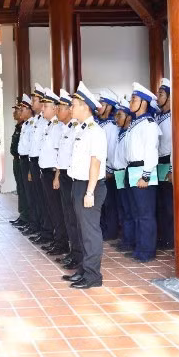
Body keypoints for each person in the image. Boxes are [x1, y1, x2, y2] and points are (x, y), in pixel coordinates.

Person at [61, 81, 108, 289]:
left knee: (90, 232)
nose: (71, 108)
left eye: (74, 104)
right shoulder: (81, 129)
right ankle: (83, 269)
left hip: (91, 186)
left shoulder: (95, 131)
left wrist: (89, 191)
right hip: (78, 184)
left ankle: (93, 276)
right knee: (80, 230)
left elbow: (95, 163)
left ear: (85, 107)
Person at [125, 82, 161, 263]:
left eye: (134, 99)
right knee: (137, 212)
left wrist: (146, 175)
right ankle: (140, 247)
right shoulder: (135, 123)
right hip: (132, 169)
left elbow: (151, 151)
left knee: (145, 214)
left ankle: (147, 250)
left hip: (143, 171)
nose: (131, 102)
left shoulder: (149, 124)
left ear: (144, 103)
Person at [54, 89, 82, 270]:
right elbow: (61, 157)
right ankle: (73, 252)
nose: (58, 110)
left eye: (63, 107)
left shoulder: (76, 127)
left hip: (73, 176)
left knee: (74, 217)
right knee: (68, 216)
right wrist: (57, 175)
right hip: (64, 175)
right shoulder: (66, 127)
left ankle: (78, 254)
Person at [38, 88, 68, 255]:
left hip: (53, 174)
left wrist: (56, 176)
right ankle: (57, 240)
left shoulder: (59, 127)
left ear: (55, 107)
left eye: (46, 106)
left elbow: (59, 155)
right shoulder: (50, 125)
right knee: (52, 209)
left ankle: (62, 243)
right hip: (46, 172)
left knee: (58, 210)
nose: (43, 109)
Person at [27, 84, 54, 245]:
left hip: (47, 166)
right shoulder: (38, 120)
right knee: (40, 199)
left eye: (35, 100)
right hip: (37, 162)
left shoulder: (51, 123)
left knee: (48, 202)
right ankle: (43, 229)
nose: (34, 104)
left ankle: (48, 231)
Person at [111, 99, 135, 253]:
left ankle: (130, 240)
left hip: (127, 172)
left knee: (129, 208)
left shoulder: (130, 133)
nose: (116, 118)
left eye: (120, 115)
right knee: (122, 207)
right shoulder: (120, 133)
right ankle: (125, 239)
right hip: (119, 173)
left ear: (128, 117)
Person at [98, 89, 121, 241]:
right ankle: (104, 229)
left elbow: (112, 150)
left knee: (110, 203)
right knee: (103, 203)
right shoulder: (101, 124)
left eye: (102, 103)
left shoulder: (112, 126)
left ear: (109, 107)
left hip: (108, 170)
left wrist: (109, 170)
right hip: (99, 169)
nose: (99, 106)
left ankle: (111, 232)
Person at [156, 78, 174, 250]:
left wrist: (171, 169)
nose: (157, 97)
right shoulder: (158, 117)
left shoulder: (173, 118)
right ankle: (163, 237)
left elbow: (176, 144)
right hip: (158, 162)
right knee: (160, 203)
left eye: (161, 94)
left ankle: (171, 239)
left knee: (169, 205)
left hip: (169, 161)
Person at [16, 93, 38, 238]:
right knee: (27, 193)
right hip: (23, 160)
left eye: (23, 109)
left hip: (31, 162)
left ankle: (35, 223)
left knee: (33, 195)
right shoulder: (26, 124)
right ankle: (31, 222)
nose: (20, 111)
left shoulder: (35, 123)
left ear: (30, 110)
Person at [9, 96, 31, 228]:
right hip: (17, 161)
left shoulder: (25, 125)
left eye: (18, 110)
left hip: (24, 161)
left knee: (25, 189)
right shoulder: (19, 126)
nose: (15, 112)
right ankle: (23, 215)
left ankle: (26, 216)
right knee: (20, 189)